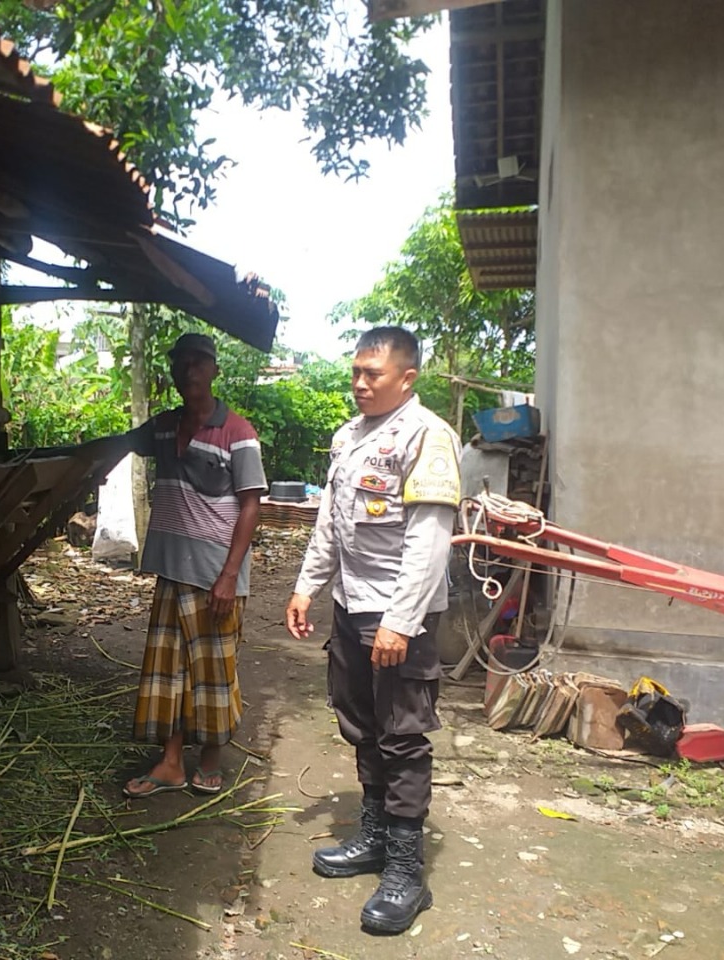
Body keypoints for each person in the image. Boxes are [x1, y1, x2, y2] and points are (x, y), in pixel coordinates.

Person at [284, 326, 461, 935]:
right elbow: (330, 525)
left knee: (402, 734)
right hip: (351, 603)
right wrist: (307, 586)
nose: (359, 383)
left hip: (398, 613)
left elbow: (429, 541)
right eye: (355, 372)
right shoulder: (348, 438)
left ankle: (407, 873)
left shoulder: (428, 437)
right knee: (358, 718)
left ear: (406, 378)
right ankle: (376, 836)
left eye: (373, 374)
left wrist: (401, 621)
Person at [115, 332, 267, 798]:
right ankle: (171, 762)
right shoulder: (162, 428)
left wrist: (228, 576)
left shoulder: (238, 432)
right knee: (168, 672)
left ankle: (211, 760)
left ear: (215, 370)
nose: (189, 369)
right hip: (172, 570)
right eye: (181, 361)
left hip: (216, 576)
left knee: (213, 673)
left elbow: (251, 505)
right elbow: (118, 444)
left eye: (199, 361)